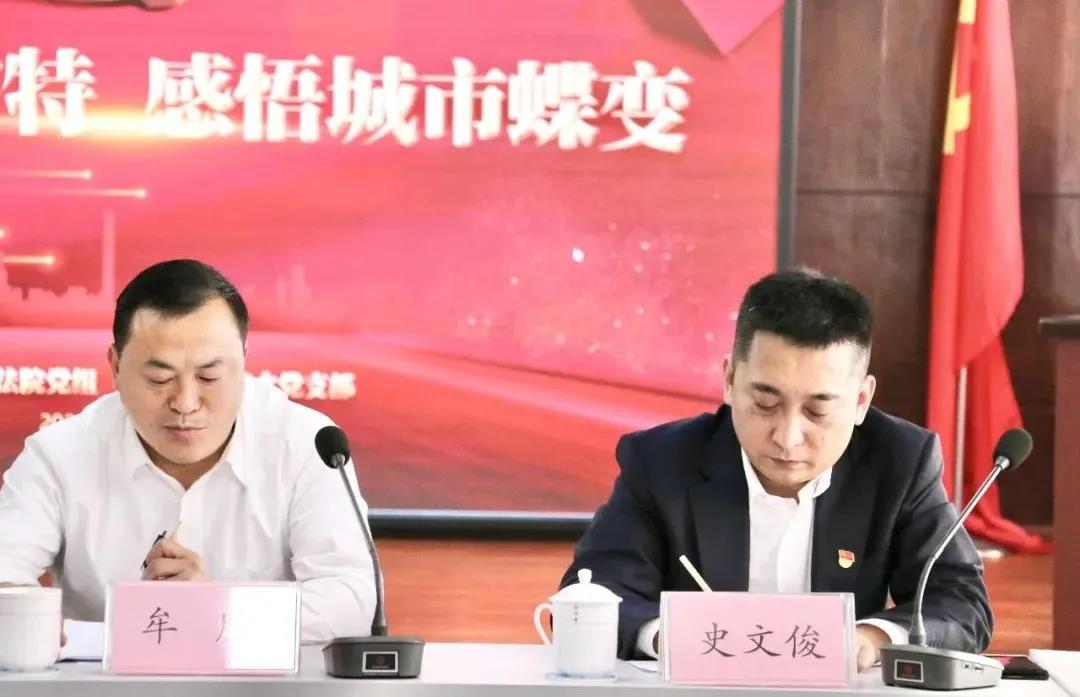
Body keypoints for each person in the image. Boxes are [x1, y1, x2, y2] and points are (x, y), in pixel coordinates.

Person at [560, 268, 991, 670]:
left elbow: (961, 603)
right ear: (730, 381)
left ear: (861, 400)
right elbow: (595, 592)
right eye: (765, 404)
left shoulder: (900, 462)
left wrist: (871, 638)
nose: (788, 437)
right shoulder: (660, 462)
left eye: (818, 411)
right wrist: (671, 638)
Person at [0, 259, 375, 641]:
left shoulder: (306, 445)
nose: (185, 403)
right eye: (159, 378)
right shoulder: (59, 455)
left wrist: (219, 610)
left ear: (244, 362)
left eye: (209, 376)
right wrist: (29, 622)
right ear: (115, 366)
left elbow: (350, 602)